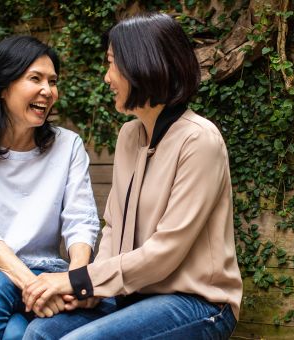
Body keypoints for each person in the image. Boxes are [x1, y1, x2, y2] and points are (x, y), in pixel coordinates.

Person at [22, 12, 243, 339]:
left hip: (200, 303)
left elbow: (165, 253)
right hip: (133, 294)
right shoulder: (129, 135)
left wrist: (78, 280)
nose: (107, 78)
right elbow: (114, 227)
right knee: (41, 332)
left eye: (112, 64)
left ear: (142, 65)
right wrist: (91, 289)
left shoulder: (200, 140)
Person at [0, 35, 100, 340]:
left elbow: (81, 219)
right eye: (35, 78)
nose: (47, 91)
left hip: (46, 274)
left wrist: (77, 280)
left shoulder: (69, 145)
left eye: (53, 81)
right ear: (2, 87)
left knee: (16, 332)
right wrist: (30, 285)